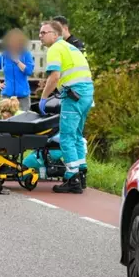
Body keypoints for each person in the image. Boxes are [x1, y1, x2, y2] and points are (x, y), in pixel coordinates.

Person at [37, 20, 94, 194]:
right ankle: (81, 172)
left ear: (55, 34)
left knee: (67, 137)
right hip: (86, 95)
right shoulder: (71, 48)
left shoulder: (55, 48)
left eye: (43, 32)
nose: (40, 35)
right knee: (77, 135)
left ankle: (72, 178)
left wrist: (43, 98)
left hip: (73, 95)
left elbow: (54, 76)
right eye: (39, 33)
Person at [0, 28, 35, 111]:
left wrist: (17, 62)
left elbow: (29, 71)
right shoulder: (4, 55)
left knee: (23, 121)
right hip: (6, 97)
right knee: (6, 121)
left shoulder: (26, 54)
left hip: (23, 97)